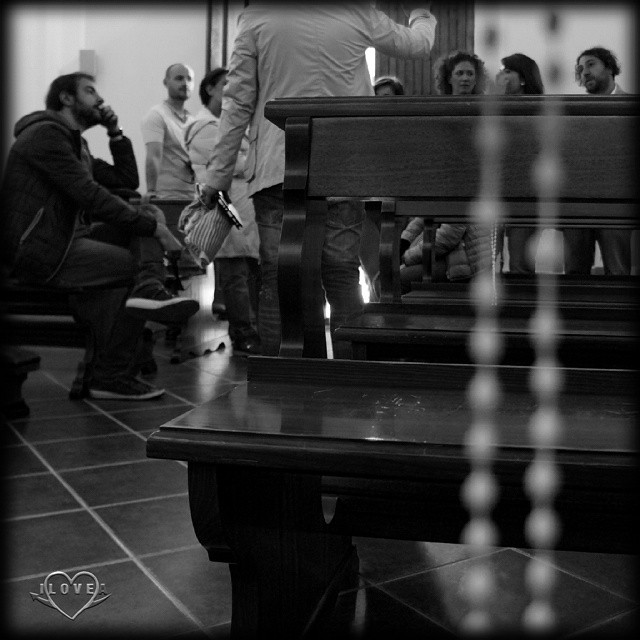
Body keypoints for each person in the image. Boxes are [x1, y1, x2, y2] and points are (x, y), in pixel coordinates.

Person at [200, 2, 438, 358]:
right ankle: (347, 374)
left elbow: (237, 103)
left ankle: (280, 379)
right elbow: (417, 45)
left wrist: (217, 176)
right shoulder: (354, 11)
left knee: (279, 277)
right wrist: (420, 11)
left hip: (279, 162)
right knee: (342, 273)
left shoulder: (258, 17)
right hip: (343, 164)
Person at [1, 72, 199, 400]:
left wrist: (115, 132)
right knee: (130, 264)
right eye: (90, 91)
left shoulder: (73, 143)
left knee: (144, 214)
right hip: (39, 250)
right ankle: (111, 374)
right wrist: (157, 231)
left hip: (65, 240)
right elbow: (90, 194)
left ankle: (148, 290)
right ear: (67, 98)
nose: (100, 100)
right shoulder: (44, 137)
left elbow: (125, 180)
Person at [184, 68, 261, 355]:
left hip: (246, 205)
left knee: (253, 270)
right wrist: (247, 159)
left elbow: (244, 160)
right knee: (234, 273)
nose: (232, 90)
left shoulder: (233, 123)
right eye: (225, 85)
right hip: (222, 205)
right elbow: (226, 164)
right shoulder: (202, 125)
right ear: (210, 89)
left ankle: (258, 329)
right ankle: (242, 332)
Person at [562, 47, 631, 275]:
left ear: (609, 67)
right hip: (578, 203)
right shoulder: (572, 112)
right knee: (574, 274)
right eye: (580, 69)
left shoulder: (631, 107)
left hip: (617, 201)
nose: (585, 72)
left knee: (618, 271)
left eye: (591, 65)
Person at [494, 53, 545, 275]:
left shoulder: (539, 109)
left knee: (520, 265)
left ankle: (522, 306)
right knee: (487, 262)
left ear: (523, 78)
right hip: (496, 190)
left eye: (508, 71)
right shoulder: (494, 106)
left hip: (525, 193)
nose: (501, 76)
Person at [141, 63, 196, 200]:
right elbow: (154, 156)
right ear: (166, 82)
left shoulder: (193, 121)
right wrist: (151, 190)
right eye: (179, 78)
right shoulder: (157, 115)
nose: (185, 83)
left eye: (189, 79)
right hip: (166, 196)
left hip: (193, 195)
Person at [399, 217, 493, 292]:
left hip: (466, 264)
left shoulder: (459, 194)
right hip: (450, 257)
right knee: (396, 274)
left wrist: (408, 257)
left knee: (399, 279)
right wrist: (405, 240)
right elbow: (426, 211)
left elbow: (447, 238)